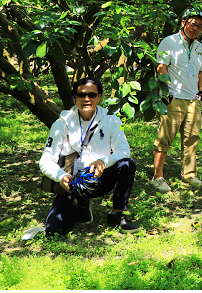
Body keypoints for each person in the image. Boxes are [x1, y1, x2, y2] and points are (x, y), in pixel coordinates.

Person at [39, 77, 140, 235]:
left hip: (100, 178)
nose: (87, 99)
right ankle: (81, 207)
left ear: (99, 97)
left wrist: (103, 161)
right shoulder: (61, 124)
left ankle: (117, 214)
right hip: (73, 181)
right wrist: (61, 176)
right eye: (81, 95)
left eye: (92, 95)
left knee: (127, 164)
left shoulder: (111, 120)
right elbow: (46, 159)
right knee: (53, 231)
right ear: (74, 98)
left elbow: (123, 150)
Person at [152, 8, 202, 193]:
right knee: (165, 138)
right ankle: (158, 177)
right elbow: (161, 67)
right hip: (174, 97)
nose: (195, 29)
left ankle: (189, 174)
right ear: (184, 22)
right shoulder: (170, 41)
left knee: (192, 138)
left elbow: (201, 72)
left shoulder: (199, 47)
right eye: (193, 24)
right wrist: (167, 92)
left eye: (199, 27)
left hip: (193, 100)